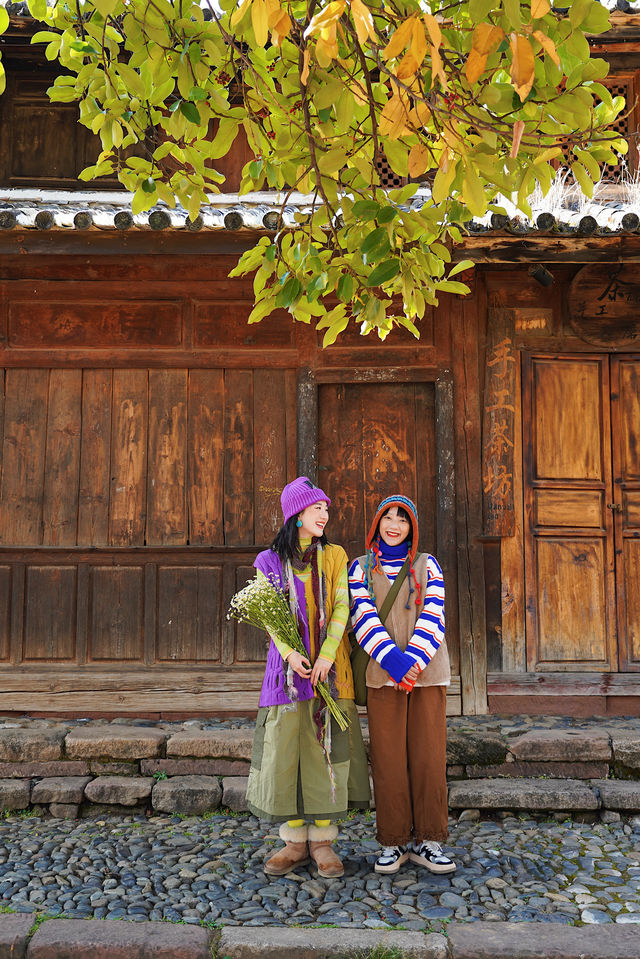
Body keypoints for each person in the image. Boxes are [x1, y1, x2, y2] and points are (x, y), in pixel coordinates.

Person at [246, 476, 370, 879]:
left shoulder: (334, 556)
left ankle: (323, 842)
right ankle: (294, 842)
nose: (325, 514)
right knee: (290, 755)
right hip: (287, 676)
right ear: (296, 513)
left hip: (331, 674)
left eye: (326, 509)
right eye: (318, 508)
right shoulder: (269, 562)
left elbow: (341, 607)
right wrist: (291, 653)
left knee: (326, 753)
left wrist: (326, 656)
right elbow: (269, 617)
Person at [348, 494, 455, 875]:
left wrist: (412, 664)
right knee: (389, 758)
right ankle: (393, 842)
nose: (394, 525)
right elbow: (361, 617)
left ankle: (429, 839)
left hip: (427, 675)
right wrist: (394, 662)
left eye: (403, 519)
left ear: (413, 527)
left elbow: (435, 615)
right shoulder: (359, 568)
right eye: (387, 518)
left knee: (428, 755)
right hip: (382, 675)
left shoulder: (428, 566)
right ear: (376, 523)